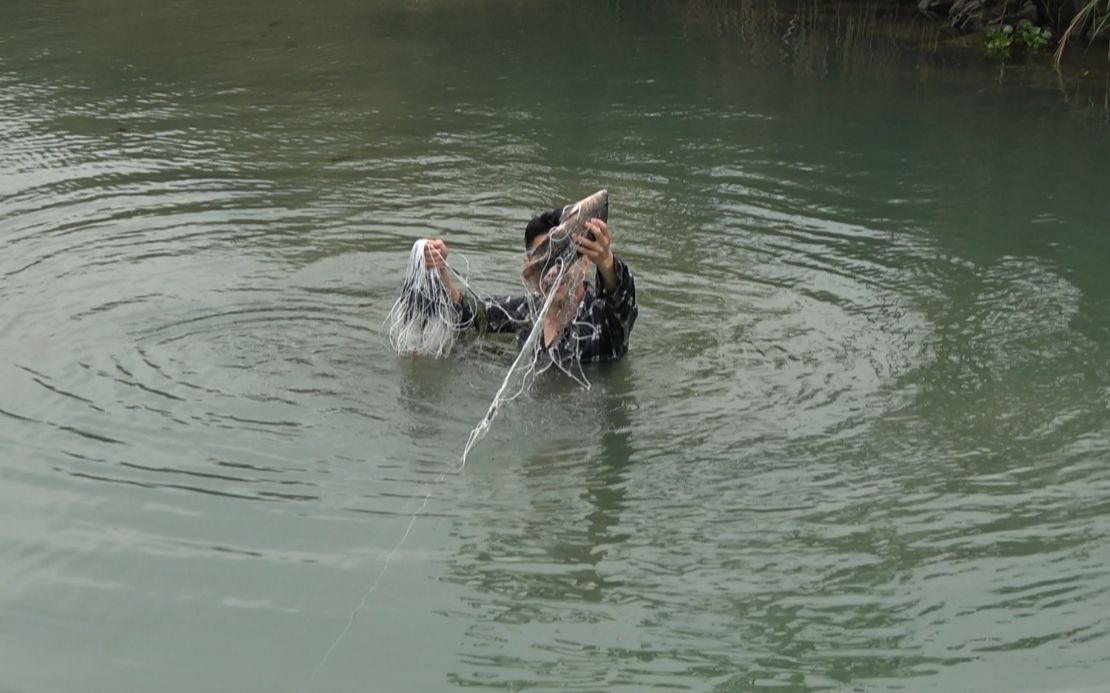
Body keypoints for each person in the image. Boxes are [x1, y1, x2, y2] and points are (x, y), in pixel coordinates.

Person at [421, 207, 638, 363]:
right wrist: (441, 269)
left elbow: (622, 296)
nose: (554, 271)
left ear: (585, 264)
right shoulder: (527, 310)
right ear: (529, 270)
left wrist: (607, 261)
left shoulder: (605, 319)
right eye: (543, 261)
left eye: (563, 258)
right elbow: (468, 315)